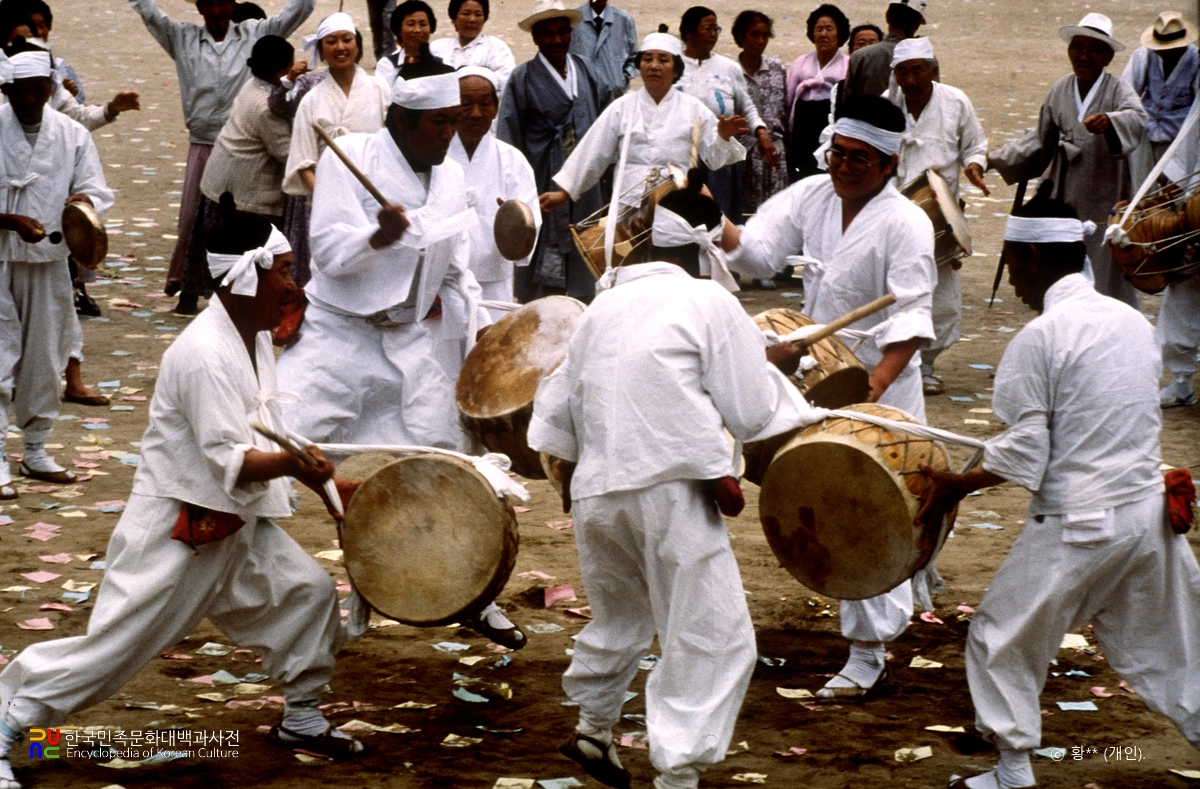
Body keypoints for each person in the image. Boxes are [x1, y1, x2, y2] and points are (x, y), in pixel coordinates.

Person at [0, 201, 371, 789]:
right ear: (247, 276)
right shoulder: (201, 354)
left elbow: (266, 428)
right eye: (283, 269)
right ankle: (8, 726)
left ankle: (301, 717)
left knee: (307, 593)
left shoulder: (251, 339)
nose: (292, 284)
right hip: (180, 527)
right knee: (115, 650)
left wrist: (329, 482)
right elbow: (237, 458)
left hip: (235, 523)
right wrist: (302, 468)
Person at [528, 171, 824, 789]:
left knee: (620, 615)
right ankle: (679, 777)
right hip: (671, 491)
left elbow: (556, 417)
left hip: (596, 492)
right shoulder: (708, 301)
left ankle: (592, 727)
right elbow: (747, 411)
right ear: (702, 247)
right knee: (710, 634)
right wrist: (778, 371)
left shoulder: (603, 305)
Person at [916, 189, 1200, 789]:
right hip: (1146, 516)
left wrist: (958, 485)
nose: (1012, 280)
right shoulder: (1129, 320)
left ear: (1032, 257)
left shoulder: (1040, 339)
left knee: (1000, 635)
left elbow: (1026, 452)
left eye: (1012, 264)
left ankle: (1014, 770)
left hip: (1082, 521)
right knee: (1172, 648)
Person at [276, 71, 526, 649]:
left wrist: (482, 337)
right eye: (438, 121)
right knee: (276, 451)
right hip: (338, 338)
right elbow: (333, 254)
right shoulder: (350, 158)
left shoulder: (453, 170)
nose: (451, 130)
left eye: (453, 119)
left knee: (456, 462)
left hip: (411, 341)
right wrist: (379, 236)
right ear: (402, 121)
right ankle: (225, 578)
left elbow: (458, 264)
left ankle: (474, 595)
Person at [721, 95, 936, 700]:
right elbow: (758, 251)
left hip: (880, 383)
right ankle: (915, 571)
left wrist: (868, 394)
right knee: (840, 498)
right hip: (821, 371)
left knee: (868, 509)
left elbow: (912, 319)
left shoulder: (906, 223)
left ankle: (869, 657)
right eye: (837, 154)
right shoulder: (813, 195)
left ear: (888, 164)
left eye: (859, 159)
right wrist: (710, 220)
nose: (843, 167)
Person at [129, 0, 316, 315]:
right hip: (209, 148)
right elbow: (287, 152)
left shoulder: (254, 39)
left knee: (211, 227)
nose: (217, 10)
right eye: (209, 3)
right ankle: (200, 293)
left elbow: (298, 10)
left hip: (235, 153)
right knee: (198, 225)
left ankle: (204, 293)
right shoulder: (182, 37)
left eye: (223, 2)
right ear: (199, 7)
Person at [0, 42, 113, 501]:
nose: (28, 101)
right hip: (1, 256)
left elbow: (95, 189)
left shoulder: (71, 134)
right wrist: (9, 220)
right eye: (18, 93)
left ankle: (35, 447)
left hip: (48, 261)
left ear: (50, 87)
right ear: (5, 89)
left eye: (36, 91)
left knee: (46, 356)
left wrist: (82, 204)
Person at [540, 30, 746, 274]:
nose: (654, 66)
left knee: (671, 274)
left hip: (675, 206)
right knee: (627, 274)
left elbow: (714, 158)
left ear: (676, 70)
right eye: (647, 59)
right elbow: (593, 151)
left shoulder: (693, 109)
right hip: (628, 205)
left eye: (663, 60)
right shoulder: (622, 108)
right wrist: (564, 192)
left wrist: (722, 135)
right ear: (639, 66)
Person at [988, 13, 1147, 309]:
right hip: (1065, 191)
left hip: (1105, 194)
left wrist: (1110, 122)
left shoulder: (1118, 90)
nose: (1083, 56)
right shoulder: (1060, 89)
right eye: (1078, 48)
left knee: (1104, 263)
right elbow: (1040, 138)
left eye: (1093, 50)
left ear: (1108, 57)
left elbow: (1137, 118)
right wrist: (992, 160)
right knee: (1062, 261)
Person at [887, 36, 988, 395]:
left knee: (942, 298)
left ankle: (926, 364)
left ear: (932, 71)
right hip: (894, 215)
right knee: (895, 293)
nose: (911, 80)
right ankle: (896, 362)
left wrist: (975, 165)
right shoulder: (885, 108)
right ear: (895, 75)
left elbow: (975, 145)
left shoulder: (955, 101)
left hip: (939, 214)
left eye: (918, 71)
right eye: (903, 72)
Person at [497, 0, 611, 304]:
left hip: (585, 187)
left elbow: (608, 124)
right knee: (543, 270)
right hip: (542, 184)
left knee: (587, 253)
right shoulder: (521, 79)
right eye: (548, 33)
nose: (557, 40)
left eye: (563, 32)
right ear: (535, 37)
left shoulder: (587, 70)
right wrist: (514, 189)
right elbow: (508, 140)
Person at [439, 65, 540, 374]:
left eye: (485, 103)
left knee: (493, 367)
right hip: (443, 284)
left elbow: (529, 223)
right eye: (465, 103)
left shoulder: (511, 160)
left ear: (496, 108)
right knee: (444, 367)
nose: (475, 112)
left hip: (494, 281)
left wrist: (513, 224)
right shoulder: (435, 156)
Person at [1122, 12, 1200, 407]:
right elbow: (1127, 98)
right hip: (1169, 153)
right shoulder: (1141, 59)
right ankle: (1182, 380)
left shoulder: (1198, 64)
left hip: (1185, 158)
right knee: (1183, 279)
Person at [282, 13, 388, 286]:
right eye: (331, 42)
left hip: (374, 196)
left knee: (376, 266)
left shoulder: (379, 89)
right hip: (328, 202)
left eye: (346, 39)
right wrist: (331, 197)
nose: (340, 47)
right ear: (321, 50)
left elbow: (393, 147)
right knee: (335, 270)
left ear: (358, 46)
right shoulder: (311, 101)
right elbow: (303, 161)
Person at [677, 6, 768, 222]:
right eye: (707, 28)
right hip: (681, 151)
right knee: (683, 215)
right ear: (689, 32)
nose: (713, 34)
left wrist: (761, 131)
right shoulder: (674, 66)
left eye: (716, 29)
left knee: (719, 214)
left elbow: (747, 105)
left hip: (720, 151)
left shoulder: (728, 68)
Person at [200, 36, 295, 225]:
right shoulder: (266, 107)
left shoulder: (252, 84)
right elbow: (286, 152)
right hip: (245, 197)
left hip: (221, 182)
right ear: (282, 70)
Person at [1122, 11, 1198, 190]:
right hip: (1145, 132)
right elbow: (1127, 91)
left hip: (1179, 139)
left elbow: (1197, 108)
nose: (1163, 53)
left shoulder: (1196, 60)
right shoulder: (1144, 55)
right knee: (1142, 189)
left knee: (1174, 191)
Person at [786, 4, 849, 182]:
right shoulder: (801, 62)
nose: (823, 34)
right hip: (802, 126)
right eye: (819, 29)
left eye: (829, 29)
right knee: (802, 177)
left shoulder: (847, 64)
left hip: (829, 124)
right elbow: (788, 99)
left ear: (839, 34)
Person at [734, 11, 788, 217]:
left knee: (776, 216)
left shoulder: (777, 68)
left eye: (765, 35)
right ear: (740, 37)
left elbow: (785, 110)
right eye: (754, 35)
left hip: (775, 158)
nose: (760, 41)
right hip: (743, 160)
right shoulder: (731, 71)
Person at [429, 0, 515, 95]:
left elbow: (505, 84)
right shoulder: (437, 47)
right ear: (454, 19)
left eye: (478, 15)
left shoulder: (496, 47)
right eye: (466, 14)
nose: (472, 19)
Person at [843, 0, 923, 98]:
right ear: (917, 24)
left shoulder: (859, 56)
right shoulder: (925, 59)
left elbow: (847, 104)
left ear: (887, 17)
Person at [568, 0, 637, 98]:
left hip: (615, 96)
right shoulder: (574, 20)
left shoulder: (624, 19)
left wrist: (624, 78)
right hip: (582, 96)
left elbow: (635, 57)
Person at [373, 0, 442, 89]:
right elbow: (385, 99)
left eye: (423, 24)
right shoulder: (387, 66)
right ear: (399, 30)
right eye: (411, 24)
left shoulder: (441, 61)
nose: (417, 30)